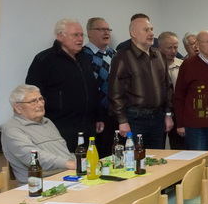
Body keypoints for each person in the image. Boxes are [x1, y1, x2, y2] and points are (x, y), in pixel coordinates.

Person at [26, 18, 102, 152]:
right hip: (60, 127)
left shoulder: (84, 58)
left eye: (81, 35)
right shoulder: (44, 60)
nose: (80, 39)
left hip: (88, 126)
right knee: (66, 163)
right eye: (75, 35)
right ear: (60, 36)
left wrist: (98, 117)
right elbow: (32, 93)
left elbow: (93, 89)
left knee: (88, 162)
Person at [108, 14, 174, 149]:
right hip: (134, 119)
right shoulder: (122, 57)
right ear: (133, 33)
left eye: (152, 29)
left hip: (158, 117)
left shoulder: (159, 55)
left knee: (157, 157)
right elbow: (115, 92)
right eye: (146, 30)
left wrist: (168, 114)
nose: (152, 33)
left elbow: (167, 87)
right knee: (135, 159)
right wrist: (122, 120)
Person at [2, 85, 77, 182]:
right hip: (40, 183)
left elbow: (63, 152)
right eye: (33, 101)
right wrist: (69, 163)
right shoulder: (12, 129)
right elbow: (34, 158)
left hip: (66, 175)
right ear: (18, 108)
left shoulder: (47, 122)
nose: (40, 104)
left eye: (41, 99)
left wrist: (80, 161)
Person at [81, 16, 116, 156]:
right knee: (101, 153)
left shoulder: (114, 54)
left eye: (108, 29)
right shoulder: (83, 55)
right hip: (96, 113)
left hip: (115, 111)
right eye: (101, 29)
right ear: (89, 33)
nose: (106, 33)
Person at [158, 31, 185, 150]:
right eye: (169, 48)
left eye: (175, 47)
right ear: (159, 48)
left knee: (179, 146)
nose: (173, 51)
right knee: (158, 146)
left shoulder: (183, 65)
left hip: (178, 110)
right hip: (159, 111)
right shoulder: (153, 66)